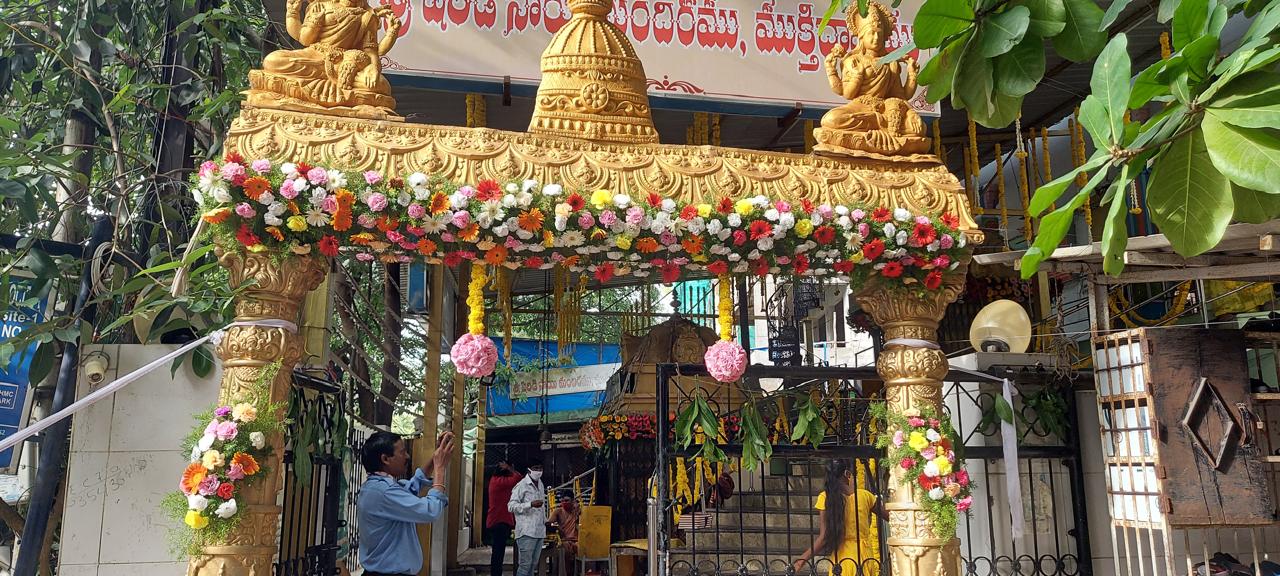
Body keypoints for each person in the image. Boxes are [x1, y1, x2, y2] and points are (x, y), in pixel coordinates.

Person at [357, 430, 455, 576]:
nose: (407, 456)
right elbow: (430, 511)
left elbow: (413, 485)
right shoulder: (385, 492)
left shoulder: (376, 487)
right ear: (385, 459)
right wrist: (440, 469)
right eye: (402, 452)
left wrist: (437, 454)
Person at [793, 460, 887, 576]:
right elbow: (891, 516)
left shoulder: (825, 498)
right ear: (847, 474)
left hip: (842, 560)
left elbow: (824, 537)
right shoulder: (864, 496)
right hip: (864, 557)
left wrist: (801, 560)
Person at [508, 461, 548, 576]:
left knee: (533, 565)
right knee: (525, 566)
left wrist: (545, 521)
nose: (539, 471)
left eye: (540, 468)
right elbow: (511, 506)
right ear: (529, 469)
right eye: (536, 468)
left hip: (539, 531)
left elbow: (542, 507)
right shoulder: (521, 485)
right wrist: (530, 504)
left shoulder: (540, 484)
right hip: (526, 532)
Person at [486, 459, 523, 576]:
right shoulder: (500, 481)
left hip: (497, 520)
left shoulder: (495, 480)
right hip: (499, 521)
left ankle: (496, 573)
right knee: (498, 552)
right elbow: (518, 478)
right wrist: (510, 468)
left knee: (498, 551)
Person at [547, 490, 580, 575]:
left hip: (577, 540)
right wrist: (557, 527)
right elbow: (548, 523)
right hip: (563, 541)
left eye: (566, 500)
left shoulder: (577, 511)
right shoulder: (558, 511)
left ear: (572, 501)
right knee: (564, 549)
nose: (564, 503)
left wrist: (578, 511)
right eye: (562, 501)